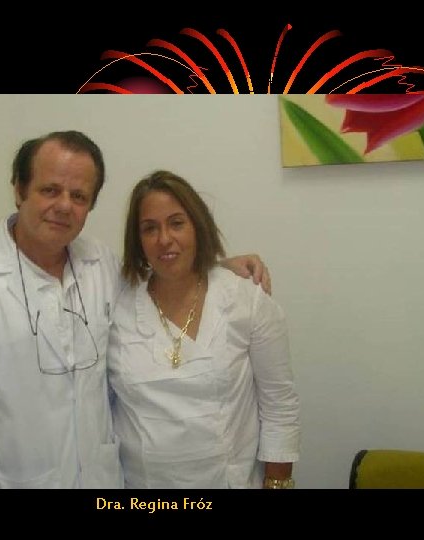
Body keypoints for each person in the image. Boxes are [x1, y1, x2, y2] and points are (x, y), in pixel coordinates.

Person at [0, 131, 270, 488]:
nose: (64, 205)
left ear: (90, 205)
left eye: (78, 196)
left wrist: (216, 268)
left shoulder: (101, 265)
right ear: (19, 190)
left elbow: (161, 279)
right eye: (50, 190)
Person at [107, 170, 300, 489]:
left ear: (198, 226)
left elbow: (279, 406)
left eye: (176, 223)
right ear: (137, 240)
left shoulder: (246, 301)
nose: (164, 238)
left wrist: (277, 484)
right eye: (150, 228)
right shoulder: (116, 307)